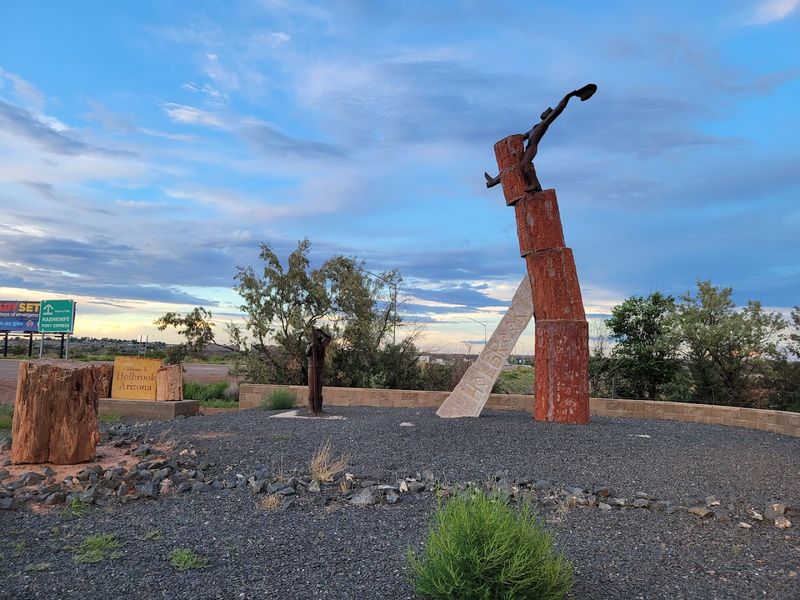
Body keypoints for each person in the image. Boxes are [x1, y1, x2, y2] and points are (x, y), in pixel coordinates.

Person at [485, 84, 597, 192]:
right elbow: (522, 137)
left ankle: (535, 184)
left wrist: (569, 95)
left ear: (548, 115)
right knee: (514, 167)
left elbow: (559, 108)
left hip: (532, 148)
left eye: (546, 111)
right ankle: (493, 182)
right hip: (528, 147)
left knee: (525, 164)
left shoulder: (544, 124)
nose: (543, 111)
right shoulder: (536, 126)